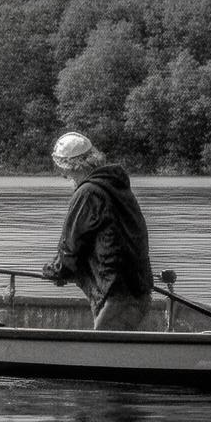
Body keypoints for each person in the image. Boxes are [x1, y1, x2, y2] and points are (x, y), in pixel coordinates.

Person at [42, 131, 154, 331]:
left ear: (71, 166)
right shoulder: (116, 186)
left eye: (62, 170)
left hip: (117, 296)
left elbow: (72, 245)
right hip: (138, 291)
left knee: (102, 349)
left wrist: (56, 272)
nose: (63, 176)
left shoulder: (88, 193)